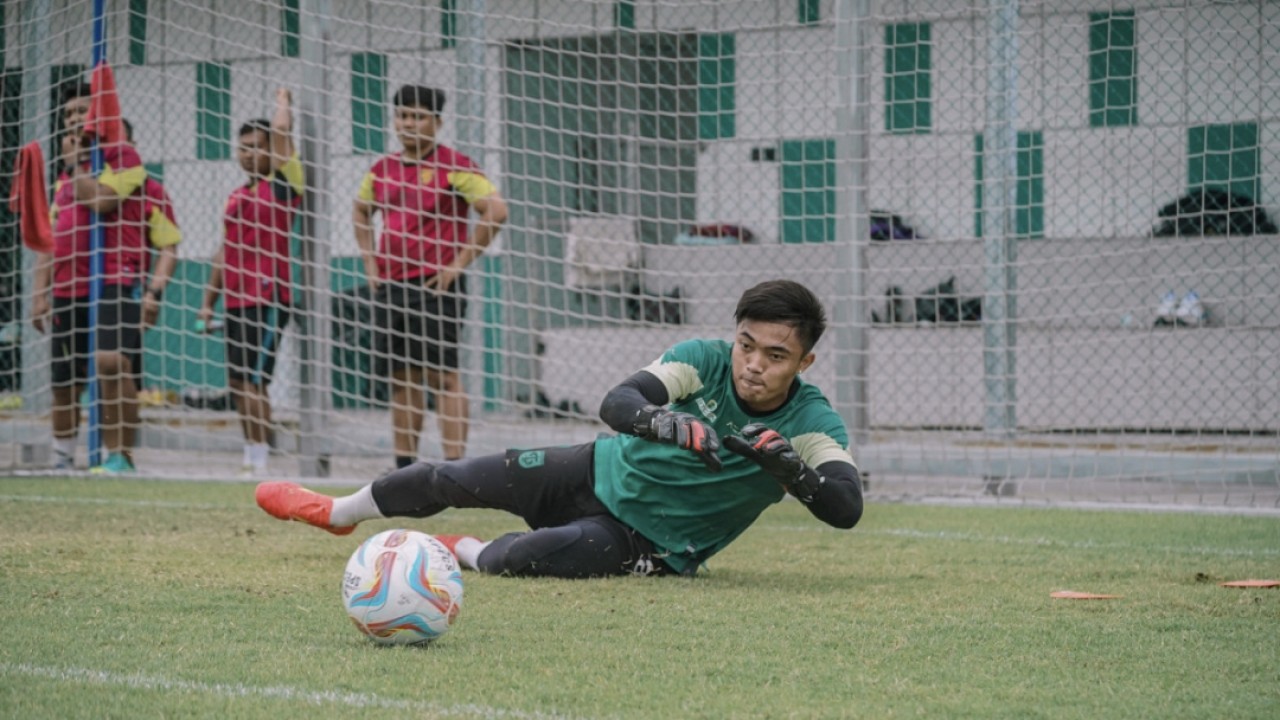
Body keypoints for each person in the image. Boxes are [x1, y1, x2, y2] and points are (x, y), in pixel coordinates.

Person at [256, 279, 864, 578]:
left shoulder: (810, 420)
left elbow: (846, 507)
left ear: (804, 362)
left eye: (775, 356)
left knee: (517, 560)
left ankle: (458, 550)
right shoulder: (703, 359)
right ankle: (338, 512)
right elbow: (619, 401)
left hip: (648, 543)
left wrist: (792, 471)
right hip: (594, 468)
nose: (754, 364)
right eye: (747, 345)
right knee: (451, 476)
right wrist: (668, 425)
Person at [352, 84, 508, 468]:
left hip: (435, 287)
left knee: (443, 376)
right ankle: (405, 467)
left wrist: (457, 265)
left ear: (436, 122)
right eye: (403, 116)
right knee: (402, 378)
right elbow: (360, 211)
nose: (409, 124)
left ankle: (457, 469)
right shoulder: (381, 169)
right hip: (391, 286)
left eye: (418, 116)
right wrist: (370, 262)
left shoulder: (455, 166)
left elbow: (497, 211)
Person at [29, 82, 173, 474]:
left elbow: (101, 200)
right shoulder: (63, 181)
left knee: (111, 361)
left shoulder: (127, 164)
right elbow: (50, 239)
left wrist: (154, 293)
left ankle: (119, 455)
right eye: (69, 115)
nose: (75, 120)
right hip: (67, 287)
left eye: (82, 112)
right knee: (64, 377)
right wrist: (39, 293)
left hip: (114, 280)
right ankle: (61, 459)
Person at [197, 89, 302, 477]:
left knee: (256, 381)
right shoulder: (235, 197)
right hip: (235, 301)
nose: (248, 155)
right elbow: (224, 251)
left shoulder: (283, 185)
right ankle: (252, 453)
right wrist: (208, 301)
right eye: (242, 148)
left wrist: (281, 101)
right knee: (238, 382)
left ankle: (259, 459)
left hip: (270, 298)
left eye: (257, 147)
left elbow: (281, 135)